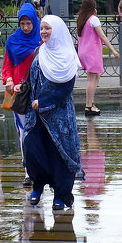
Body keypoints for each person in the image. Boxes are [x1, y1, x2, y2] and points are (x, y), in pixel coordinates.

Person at [23, 15, 82, 210]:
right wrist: (20, 87)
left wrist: (45, 102)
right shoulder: (39, 51)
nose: (44, 32)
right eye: (42, 28)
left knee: (60, 155)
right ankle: (38, 185)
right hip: (37, 116)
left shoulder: (67, 56)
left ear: (56, 30)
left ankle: (60, 194)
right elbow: (31, 77)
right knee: (32, 149)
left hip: (59, 117)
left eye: (48, 28)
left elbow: (66, 88)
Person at [3, 2, 41, 187]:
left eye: (29, 23)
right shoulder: (13, 40)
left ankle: (42, 167)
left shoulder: (42, 39)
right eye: (22, 24)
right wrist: (8, 80)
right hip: (20, 92)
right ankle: (29, 170)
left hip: (40, 91)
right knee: (23, 131)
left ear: (34, 21)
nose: (25, 27)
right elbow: (7, 65)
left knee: (40, 130)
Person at [75, 0, 119, 116]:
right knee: (92, 78)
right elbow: (102, 36)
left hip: (83, 51)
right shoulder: (93, 19)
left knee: (96, 76)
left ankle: (91, 103)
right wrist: (113, 50)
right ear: (93, 7)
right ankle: (89, 105)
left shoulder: (81, 19)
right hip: (92, 51)